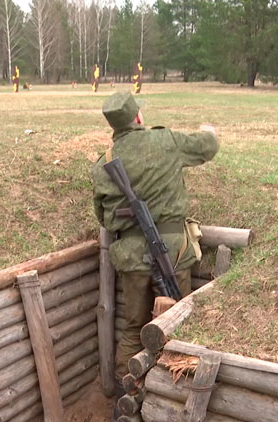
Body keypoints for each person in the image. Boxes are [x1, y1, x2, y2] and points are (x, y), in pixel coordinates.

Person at [91, 92, 218, 420]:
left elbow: (104, 217)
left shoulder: (106, 159)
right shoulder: (166, 140)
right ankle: (173, 398)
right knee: (178, 322)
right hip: (173, 249)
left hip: (131, 255)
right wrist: (210, 130)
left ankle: (125, 394)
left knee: (134, 326)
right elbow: (208, 147)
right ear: (137, 117)